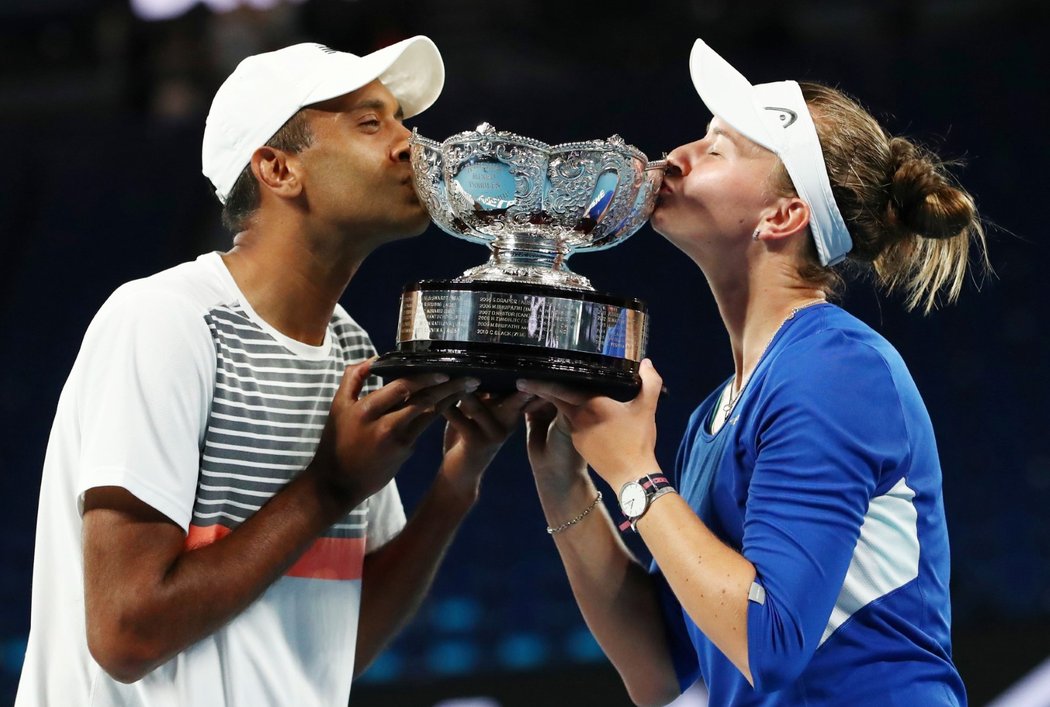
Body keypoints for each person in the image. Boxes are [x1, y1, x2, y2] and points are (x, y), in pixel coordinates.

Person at [17, 36, 532, 706]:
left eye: (404, 123)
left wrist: (457, 482)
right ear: (278, 169)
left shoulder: (352, 349)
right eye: (370, 122)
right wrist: (327, 488)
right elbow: (126, 634)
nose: (411, 145)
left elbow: (337, 647)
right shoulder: (166, 321)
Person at [520, 37, 988, 706]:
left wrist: (632, 470)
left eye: (716, 149)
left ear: (784, 214)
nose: (674, 158)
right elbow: (660, 668)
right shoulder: (724, 407)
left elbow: (767, 639)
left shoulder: (836, 369)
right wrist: (565, 477)